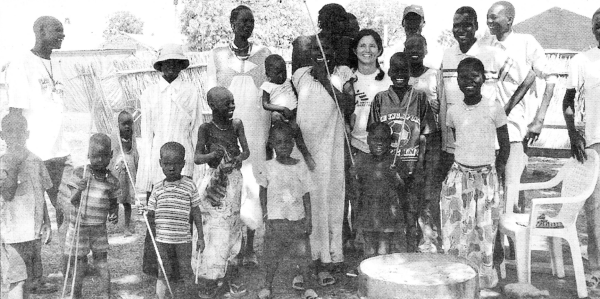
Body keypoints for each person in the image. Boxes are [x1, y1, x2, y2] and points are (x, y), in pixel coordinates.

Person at [206, 5, 271, 268]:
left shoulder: (264, 54)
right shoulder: (218, 54)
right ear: (232, 23)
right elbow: (211, 94)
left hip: (256, 129)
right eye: (242, 21)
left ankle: (249, 248)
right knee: (229, 183)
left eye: (251, 21)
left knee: (253, 185)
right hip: (227, 129)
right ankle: (227, 247)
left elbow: (271, 92)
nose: (248, 25)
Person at [441, 57, 510, 289]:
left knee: (484, 229)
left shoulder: (494, 107)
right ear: (457, 81)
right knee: (457, 229)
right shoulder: (453, 111)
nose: (469, 81)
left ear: (484, 78)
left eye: (474, 76)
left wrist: (496, 173)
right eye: (463, 77)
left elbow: (505, 145)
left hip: (486, 179)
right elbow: (456, 142)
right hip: (460, 177)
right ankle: (457, 275)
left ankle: (482, 278)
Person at [485, 1, 558, 213]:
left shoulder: (526, 42)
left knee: (514, 189)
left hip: (515, 129)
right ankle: (497, 244)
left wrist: (539, 119)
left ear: (510, 19)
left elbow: (550, 77)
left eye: (494, 17)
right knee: (492, 192)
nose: (489, 21)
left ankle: (517, 242)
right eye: (488, 17)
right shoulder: (485, 45)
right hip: (489, 130)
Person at [292, 37, 355, 285]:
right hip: (305, 151)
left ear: (334, 53)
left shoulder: (341, 74)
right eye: (316, 50)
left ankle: (328, 258)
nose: (321, 54)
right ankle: (306, 262)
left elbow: (348, 106)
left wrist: (325, 80)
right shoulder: (299, 75)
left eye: (326, 49)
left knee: (329, 199)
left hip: (330, 153)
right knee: (307, 203)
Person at [137, 43, 202, 277]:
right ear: (160, 66)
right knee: (159, 217)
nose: (171, 68)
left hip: (184, 163)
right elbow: (146, 138)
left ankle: (182, 269)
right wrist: (143, 185)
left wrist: (195, 169)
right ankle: (159, 270)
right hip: (159, 163)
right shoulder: (149, 94)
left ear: (182, 66)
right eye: (167, 63)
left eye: (176, 63)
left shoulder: (192, 92)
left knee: (182, 216)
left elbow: (196, 131)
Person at [5, 15, 71, 235]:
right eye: (57, 30)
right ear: (40, 32)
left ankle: (70, 261)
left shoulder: (58, 63)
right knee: (32, 217)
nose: (63, 35)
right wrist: (16, 158)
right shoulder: (21, 63)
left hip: (59, 151)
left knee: (67, 208)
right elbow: (15, 113)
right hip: (33, 153)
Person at [368, 52, 435, 252]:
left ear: (409, 73)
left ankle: (411, 253)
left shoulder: (420, 98)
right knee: (388, 213)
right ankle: (388, 257)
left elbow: (427, 135)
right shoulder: (380, 99)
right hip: (387, 168)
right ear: (389, 71)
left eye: (403, 70)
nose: (399, 74)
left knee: (411, 212)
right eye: (395, 69)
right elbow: (373, 135)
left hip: (412, 166)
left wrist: (421, 165)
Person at [195, 87, 250, 298]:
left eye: (233, 102)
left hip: (233, 181)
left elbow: (246, 151)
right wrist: (212, 155)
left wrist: (238, 158)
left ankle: (230, 277)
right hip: (214, 183)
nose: (232, 106)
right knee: (214, 229)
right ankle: (211, 276)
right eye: (227, 103)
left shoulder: (236, 125)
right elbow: (197, 157)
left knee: (233, 227)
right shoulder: (205, 128)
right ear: (212, 106)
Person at [256, 123, 317, 299]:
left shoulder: (300, 166)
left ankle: (308, 288)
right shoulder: (267, 167)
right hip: (276, 219)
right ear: (272, 144)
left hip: (297, 218)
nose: (283, 146)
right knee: (272, 254)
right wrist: (265, 214)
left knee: (303, 254)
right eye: (279, 142)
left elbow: (306, 194)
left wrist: (309, 219)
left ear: (293, 144)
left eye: (287, 142)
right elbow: (263, 192)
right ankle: (267, 286)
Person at [563, 7, 600, 292]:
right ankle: (596, 269)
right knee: (595, 210)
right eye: (597, 24)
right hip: (594, 143)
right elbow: (568, 101)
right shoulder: (582, 60)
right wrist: (574, 133)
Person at [347, 29, 391, 252]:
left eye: (372, 46)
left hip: (381, 150)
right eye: (362, 45)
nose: (367, 50)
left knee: (379, 197)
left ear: (380, 50)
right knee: (357, 195)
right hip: (356, 145)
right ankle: (359, 241)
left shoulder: (387, 80)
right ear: (355, 50)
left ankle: (379, 245)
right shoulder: (348, 79)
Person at [0, 112, 53, 299]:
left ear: (27, 134)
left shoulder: (36, 160)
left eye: (20, 132)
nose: (15, 137)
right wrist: (13, 166)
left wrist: (47, 221)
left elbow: (42, 193)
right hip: (13, 232)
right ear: (2, 135)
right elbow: (7, 193)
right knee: (17, 280)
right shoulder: (3, 163)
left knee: (30, 278)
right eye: (10, 132)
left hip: (33, 230)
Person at [62, 133, 119, 299]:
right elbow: (72, 201)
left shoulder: (112, 180)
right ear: (88, 155)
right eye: (95, 156)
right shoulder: (80, 173)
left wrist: (113, 213)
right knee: (79, 264)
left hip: (99, 228)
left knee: (101, 261)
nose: (99, 160)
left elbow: (113, 202)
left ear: (111, 155)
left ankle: (105, 294)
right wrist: (79, 189)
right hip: (79, 227)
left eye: (103, 156)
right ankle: (75, 294)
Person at [146, 142, 205, 299]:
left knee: (186, 270)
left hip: (183, 240)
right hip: (162, 240)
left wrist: (201, 236)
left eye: (176, 163)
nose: (171, 168)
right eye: (166, 164)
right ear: (160, 164)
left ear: (183, 164)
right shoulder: (157, 188)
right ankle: (160, 296)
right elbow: (150, 213)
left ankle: (192, 296)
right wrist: (144, 211)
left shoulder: (189, 186)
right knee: (163, 271)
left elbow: (196, 211)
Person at [404, 34, 442, 253]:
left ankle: (429, 240)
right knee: (408, 190)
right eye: (410, 46)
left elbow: (442, 107)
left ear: (426, 49)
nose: (415, 50)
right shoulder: (399, 73)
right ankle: (407, 238)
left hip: (430, 140)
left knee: (428, 191)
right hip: (406, 141)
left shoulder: (434, 75)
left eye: (419, 46)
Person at [352, 122, 403, 257]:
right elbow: (356, 189)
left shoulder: (394, 161)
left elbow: (402, 187)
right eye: (375, 139)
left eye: (383, 140)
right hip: (368, 214)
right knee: (368, 252)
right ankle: (368, 276)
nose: (379, 143)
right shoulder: (361, 160)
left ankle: (381, 275)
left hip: (387, 216)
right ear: (368, 140)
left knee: (383, 252)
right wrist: (354, 176)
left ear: (390, 142)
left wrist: (397, 174)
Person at [261, 54, 315, 170]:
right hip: (279, 116)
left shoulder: (289, 81)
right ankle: (269, 163)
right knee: (273, 139)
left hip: (293, 115)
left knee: (297, 132)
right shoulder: (267, 86)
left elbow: (297, 95)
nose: (281, 76)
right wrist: (282, 109)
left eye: (284, 72)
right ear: (268, 74)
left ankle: (306, 155)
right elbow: (265, 104)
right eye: (277, 73)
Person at [292, 3, 351, 72]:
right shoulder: (303, 44)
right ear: (325, 23)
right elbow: (296, 76)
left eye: (343, 20)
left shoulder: (347, 44)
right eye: (336, 21)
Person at [381, 5, 442, 71]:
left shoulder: (435, 51)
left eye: (416, 20)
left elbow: (437, 73)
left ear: (423, 23)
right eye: (409, 20)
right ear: (403, 23)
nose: (412, 25)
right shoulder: (393, 51)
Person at [109, 110, 138, 236]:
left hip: (129, 174)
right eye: (124, 124)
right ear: (118, 125)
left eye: (130, 124)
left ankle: (126, 227)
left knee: (127, 202)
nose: (127, 127)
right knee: (114, 199)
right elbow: (111, 155)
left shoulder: (132, 138)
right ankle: (113, 218)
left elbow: (135, 155)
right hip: (117, 173)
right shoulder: (115, 138)